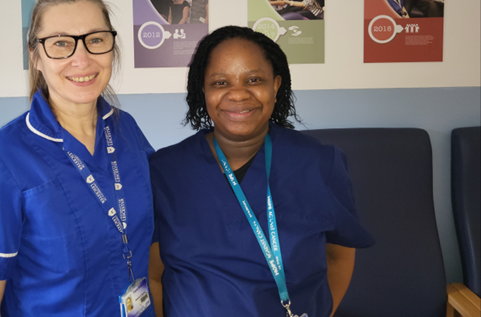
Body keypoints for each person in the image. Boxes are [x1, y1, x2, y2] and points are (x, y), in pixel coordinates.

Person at [0, 0, 155, 316]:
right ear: (36, 56)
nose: (82, 58)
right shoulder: (2, 160)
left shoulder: (125, 129)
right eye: (61, 43)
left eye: (96, 39)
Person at [149, 26, 373, 317]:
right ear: (202, 90)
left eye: (254, 79)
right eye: (220, 82)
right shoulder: (164, 171)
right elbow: (153, 274)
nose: (239, 94)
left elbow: (339, 256)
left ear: (276, 85)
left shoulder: (319, 163)